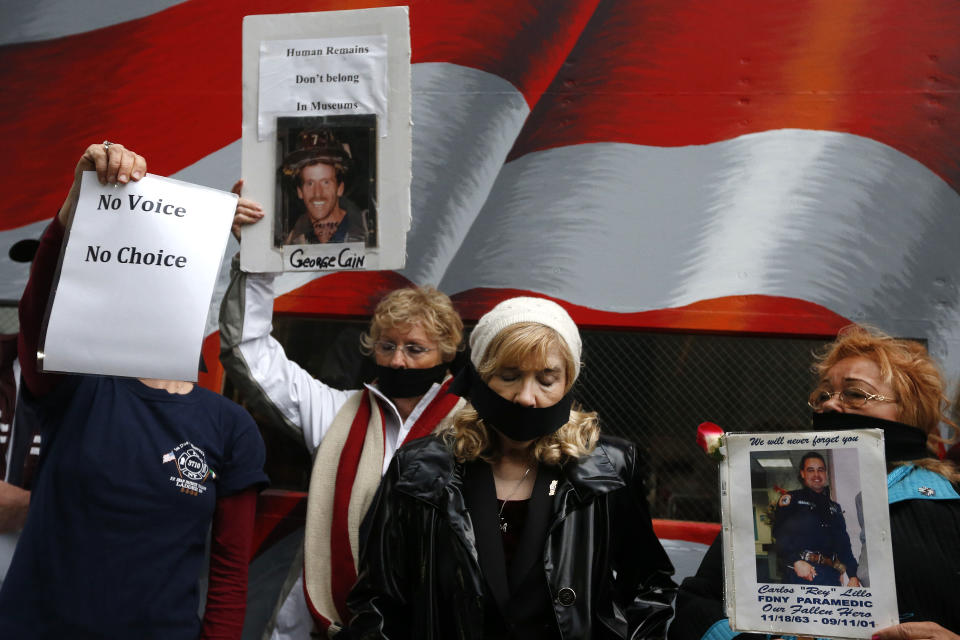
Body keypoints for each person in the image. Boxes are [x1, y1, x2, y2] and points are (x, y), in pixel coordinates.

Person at [0, 141, 269, 638]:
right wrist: (72, 214)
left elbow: (230, 574)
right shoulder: (78, 385)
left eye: (173, 280)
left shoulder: (229, 426)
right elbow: (39, 323)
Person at [347, 297, 677, 639]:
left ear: (567, 382)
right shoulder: (419, 470)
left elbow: (650, 588)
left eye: (546, 380)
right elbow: (377, 603)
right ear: (480, 378)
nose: (526, 397)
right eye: (509, 376)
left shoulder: (609, 469)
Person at [220, 204, 466, 638]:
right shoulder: (340, 413)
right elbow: (249, 352)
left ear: (445, 354)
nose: (398, 361)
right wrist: (257, 258)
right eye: (387, 346)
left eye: (414, 348)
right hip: (322, 624)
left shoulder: (474, 427)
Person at [669, 324, 960, 640]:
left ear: (909, 411)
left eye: (854, 393)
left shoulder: (950, 503)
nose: (831, 405)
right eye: (823, 395)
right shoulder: (760, 494)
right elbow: (695, 607)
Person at [770, 451, 859, 586]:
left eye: (820, 470)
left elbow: (844, 545)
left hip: (830, 575)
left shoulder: (835, 507)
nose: (816, 475)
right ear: (803, 474)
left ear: (826, 474)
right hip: (801, 573)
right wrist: (795, 561)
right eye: (810, 470)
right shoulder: (792, 499)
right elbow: (780, 536)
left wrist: (853, 575)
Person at [280, 128, 367, 245]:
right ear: (300, 191)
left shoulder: (368, 231)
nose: (317, 194)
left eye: (325, 182)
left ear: (340, 188)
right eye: (310, 183)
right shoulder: (294, 238)